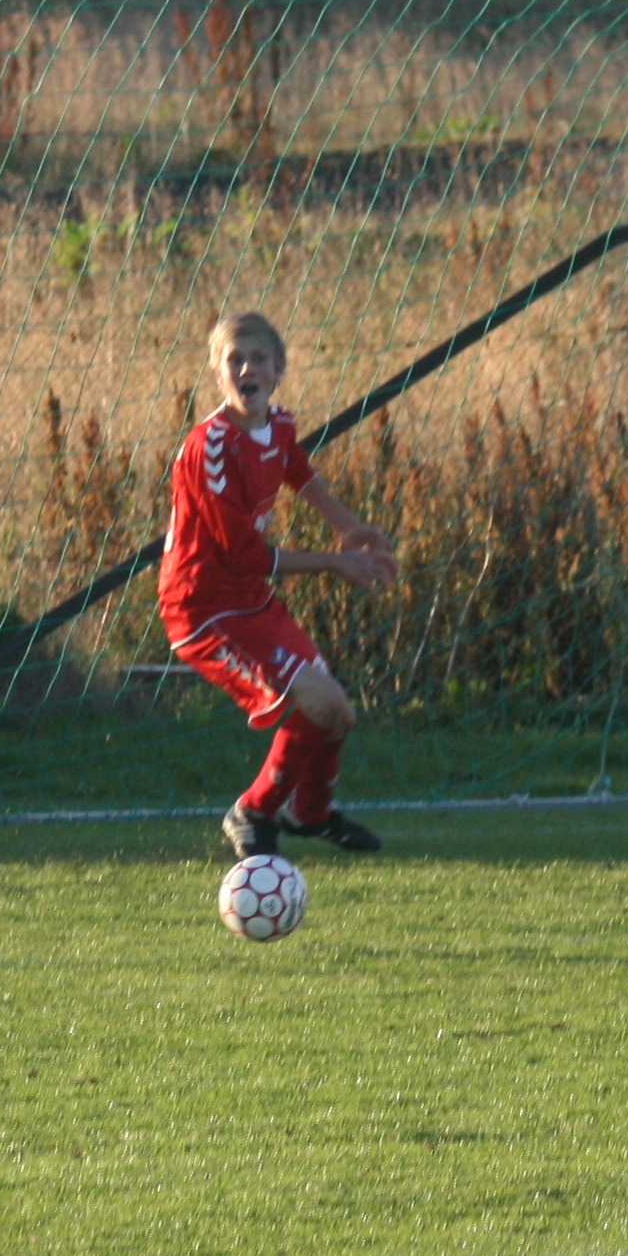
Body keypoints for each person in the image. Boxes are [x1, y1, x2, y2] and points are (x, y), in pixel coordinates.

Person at [162, 309, 400, 856]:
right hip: (202, 610)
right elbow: (242, 555)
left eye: (259, 358)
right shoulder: (210, 447)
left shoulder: (279, 424)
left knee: (337, 713)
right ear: (218, 373)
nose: (247, 368)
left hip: (250, 600)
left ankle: (310, 813)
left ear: (278, 370)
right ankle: (253, 810)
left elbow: (295, 467)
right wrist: (334, 563)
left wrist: (347, 526)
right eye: (235, 360)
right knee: (317, 704)